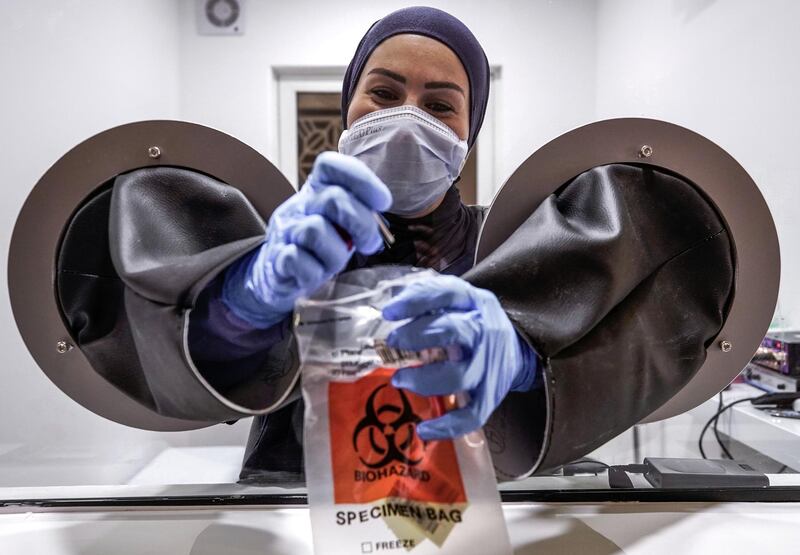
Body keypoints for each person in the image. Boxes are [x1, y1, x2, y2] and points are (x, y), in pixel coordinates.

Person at [97, 6, 732, 483]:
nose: (407, 118)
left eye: (440, 104)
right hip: (302, 514)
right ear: (349, 106)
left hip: (488, 522)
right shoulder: (292, 251)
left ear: (469, 131)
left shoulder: (518, 246)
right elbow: (196, 375)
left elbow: (619, 355)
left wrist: (523, 360)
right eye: (383, 92)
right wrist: (244, 299)